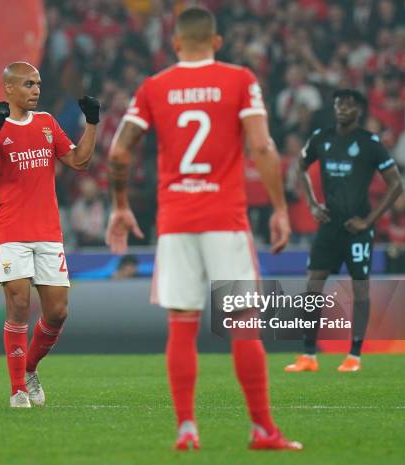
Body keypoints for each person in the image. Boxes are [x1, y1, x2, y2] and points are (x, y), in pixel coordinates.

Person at [106, 6, 301, 451]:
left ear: (176, 44)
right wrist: (279, 209)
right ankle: (263, 429)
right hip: (225, 219)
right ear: (216, 42)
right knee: (244, 325)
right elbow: (262, 146)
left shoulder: (155, 86)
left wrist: (120, 206)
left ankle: (186, 428)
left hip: (175, 222)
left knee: (181, 324)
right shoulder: (239, 80)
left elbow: (119, 153)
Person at [0, 62, 100, 408]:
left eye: (38, 84)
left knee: (58, 312)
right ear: (9, 89)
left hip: (48, 233)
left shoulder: (47, 123)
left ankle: (28, 368)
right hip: (11, 231)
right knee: (18, 305)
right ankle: (17, 390)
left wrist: (91, 123)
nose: (36, 89)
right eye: (29, 84)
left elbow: (79, 162)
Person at [284, 89, 403, 373]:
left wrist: (369, 220)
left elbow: (396, 184)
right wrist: (312, 203)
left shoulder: (369, 143)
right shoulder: (321, 138)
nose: (342, 108)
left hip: (357, 228)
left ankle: (354, 356)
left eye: (349, 105)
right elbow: (300, 167)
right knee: (313, 284)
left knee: (360, 287)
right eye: (339, 103)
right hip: (329, 225)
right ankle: (308, 356)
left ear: (359, 111)